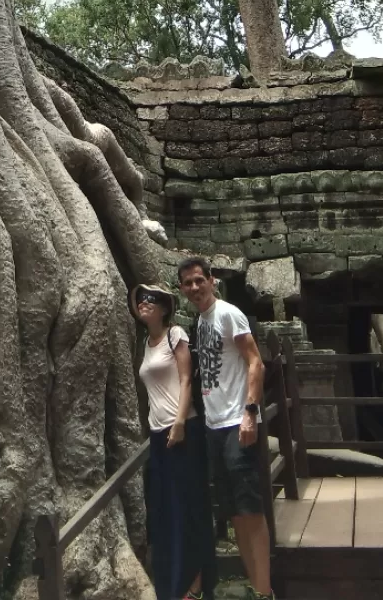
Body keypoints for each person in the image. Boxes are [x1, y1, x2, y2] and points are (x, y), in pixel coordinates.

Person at [177, 257, 274, 600]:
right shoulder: (199, 323)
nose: (194, 288)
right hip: (214, 425)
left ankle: (265, 591)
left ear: (212, 280)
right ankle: (256, 585)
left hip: (237, 421)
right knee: (234, 511)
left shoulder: (229, 313)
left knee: (249, 508)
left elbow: (255, 361)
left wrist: (250, 412)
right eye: (187, 283)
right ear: (182, 289)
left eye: (199, 281)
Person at [132, 281, 216, 600]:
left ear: (165, 308)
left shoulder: (174, 335)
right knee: (165, 510)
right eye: (141, 298)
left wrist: (180, 421)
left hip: (182, 430)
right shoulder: (146, 342)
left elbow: (185, 379)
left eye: (152, 299)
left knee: (187, 506)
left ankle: (194, 583)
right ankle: (170, 583)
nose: (144, 302)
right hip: (157, 434)